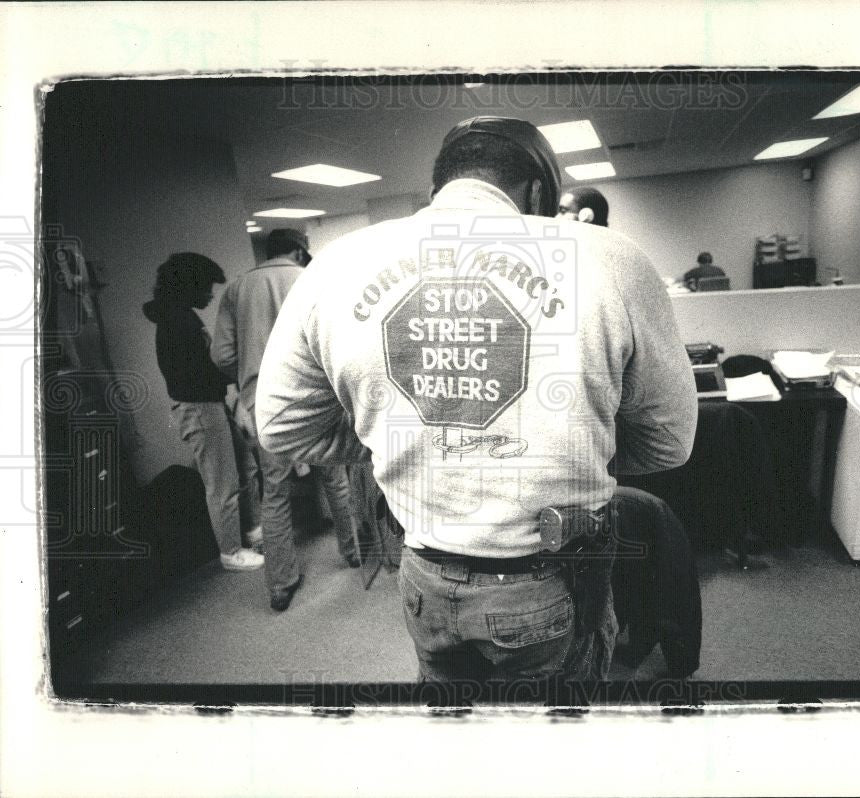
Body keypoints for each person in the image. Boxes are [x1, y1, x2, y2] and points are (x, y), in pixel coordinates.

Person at [255, 116, 697, 687]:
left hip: (422, 577)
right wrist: (557, 448)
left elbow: (282, 428)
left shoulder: (334, 264)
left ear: (442, 184)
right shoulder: (610, 258)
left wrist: (407, 444)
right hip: (551, 576)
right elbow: (669, 442)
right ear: (537, 192)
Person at [212, 229, 359, 612]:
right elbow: (341, 339)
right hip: (316, 396)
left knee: (273, 494)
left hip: (264, 402)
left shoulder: (237, 289)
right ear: (298, 251)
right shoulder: (312, 279)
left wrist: (249, 377)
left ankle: (281, 584)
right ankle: (354, 551)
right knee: (335, 479)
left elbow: (222, 355)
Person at [142, 253, 265, 573]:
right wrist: (235, 370)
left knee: (246, 466)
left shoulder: (181, 317)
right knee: (222, 484)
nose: (211, 294)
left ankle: (253, 530)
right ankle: (231, 552)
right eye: (207, 287)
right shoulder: (177, 322)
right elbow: (199, 374)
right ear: (189, 285)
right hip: (200, 409)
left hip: (209, 405)